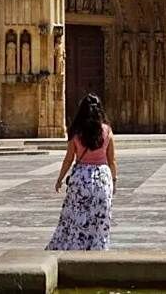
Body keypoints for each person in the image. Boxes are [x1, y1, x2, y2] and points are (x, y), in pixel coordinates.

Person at [47, 94, 117, 251]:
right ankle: (98, 250)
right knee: (99, 220)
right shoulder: (107, 131)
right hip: (102, 181)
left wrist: (60, 179)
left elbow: (68, 159)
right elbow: (112, 160)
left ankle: (75, 250)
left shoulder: (76, 132)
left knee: (76, 218)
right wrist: (114, 181)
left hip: (80, 180)